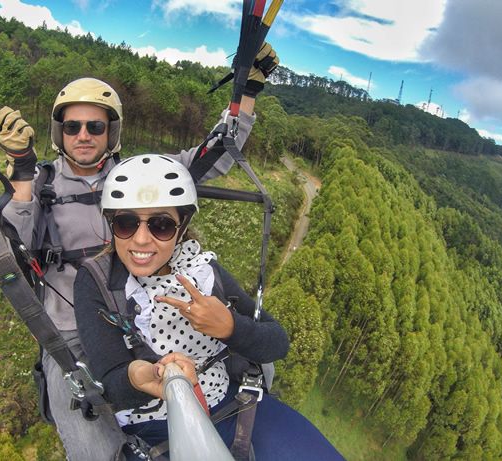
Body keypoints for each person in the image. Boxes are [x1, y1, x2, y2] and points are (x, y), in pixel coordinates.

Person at [0, 46, 280, 460]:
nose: (84, 135)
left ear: (112, 131)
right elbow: (12, 249)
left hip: (143, 312)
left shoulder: (139, 175)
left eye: (95, 125)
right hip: (72, 330)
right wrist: (21, 170)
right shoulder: (42, 184)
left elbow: (213, 156)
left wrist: (246, 90)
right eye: (72, 127)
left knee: (252, 353)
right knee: (81, 414)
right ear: (60, 134)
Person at [73, 154, 344, 460]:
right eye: (126, 223)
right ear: (111, 223)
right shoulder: (95, 281)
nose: (141, 240)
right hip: (154, 426)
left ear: (182, 224)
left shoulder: (203, 270)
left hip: (234, 405)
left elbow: (277, 342)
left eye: (161, 225)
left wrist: (230, 326)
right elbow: (110, 381)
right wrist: (140, 376)